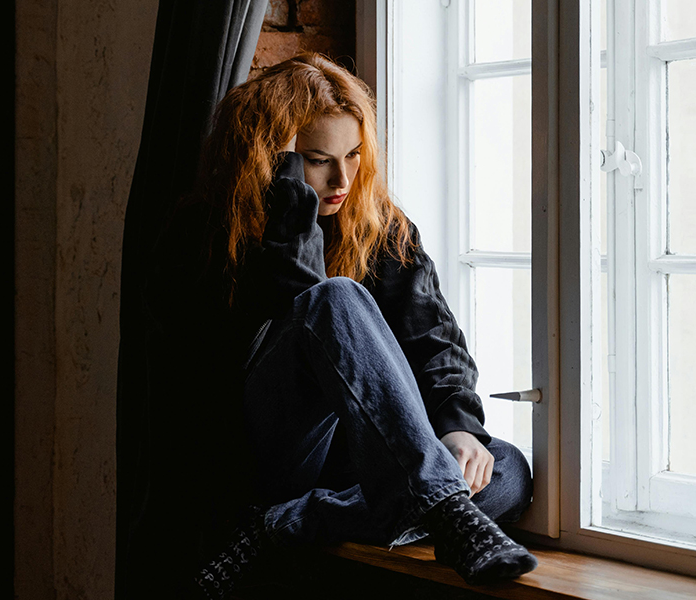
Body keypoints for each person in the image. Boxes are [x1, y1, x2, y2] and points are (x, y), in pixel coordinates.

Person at [145, 53, 536, 599]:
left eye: (354, 155)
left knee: (508, 468)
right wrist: (289, 206)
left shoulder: (381, 225)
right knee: (334, 297)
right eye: (315, 160)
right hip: (265, 451)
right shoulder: (204, 232)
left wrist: (459, 427)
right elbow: (214, 373)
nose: (343, 179)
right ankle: (433, 505)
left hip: (358, 467)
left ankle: (286, 523)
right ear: (270, 159)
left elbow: (434, 340)